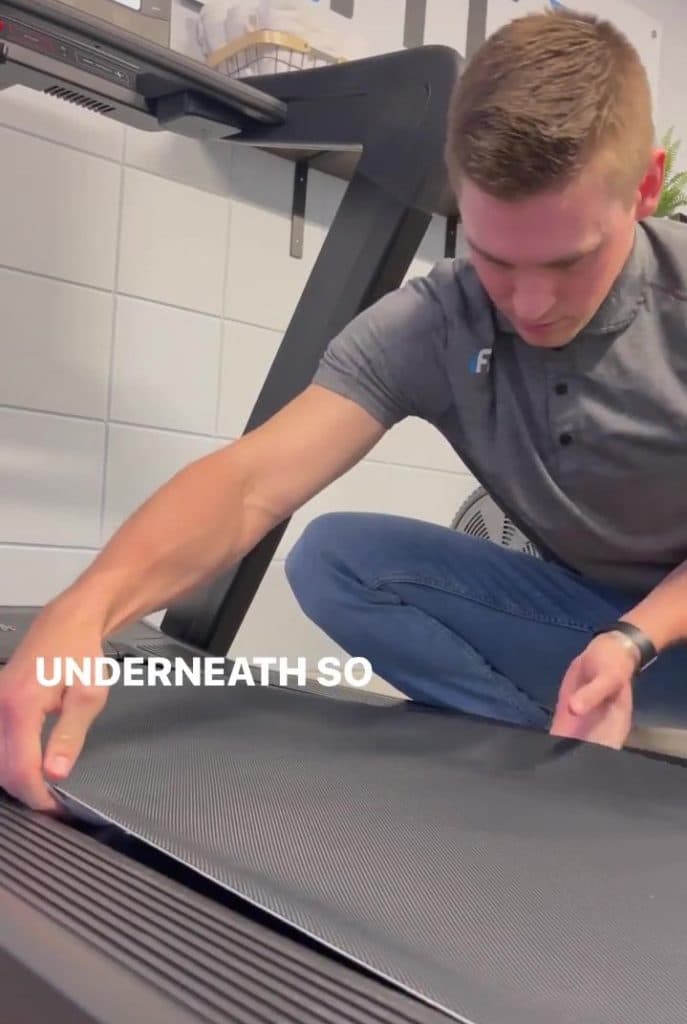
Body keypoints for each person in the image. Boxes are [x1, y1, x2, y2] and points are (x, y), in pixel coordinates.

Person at [1, 7, 686, 812]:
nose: (529, 305)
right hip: (596, 638)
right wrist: (84, 611)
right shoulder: (435, 323)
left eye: (568, 263)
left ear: (645, 188)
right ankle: (551, 765)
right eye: (495, 259)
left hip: (650, 632)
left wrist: (636, 636)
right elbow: (249, 484)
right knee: (337, 558)